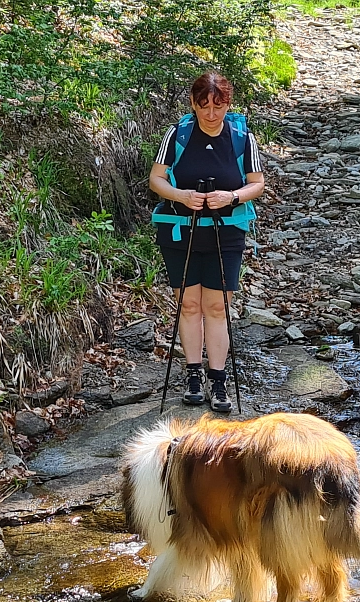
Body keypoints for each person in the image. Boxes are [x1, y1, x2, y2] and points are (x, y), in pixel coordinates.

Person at [150, 71, 264, 413]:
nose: (211, 113)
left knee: (216, 307)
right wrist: (181, 196)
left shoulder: (242, 137)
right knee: (188, 305)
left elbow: (256, 183)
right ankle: (193, 375)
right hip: (179, 230)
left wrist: (231, 197)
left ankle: (218, 378)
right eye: (204, 106)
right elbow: (156, 179)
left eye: (218, 105)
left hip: (226, 232)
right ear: (193, 104)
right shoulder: (177, 134)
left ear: (228, 103)